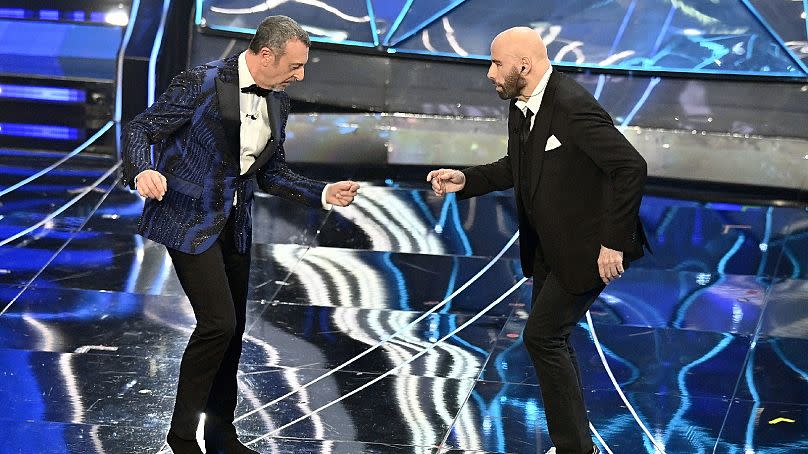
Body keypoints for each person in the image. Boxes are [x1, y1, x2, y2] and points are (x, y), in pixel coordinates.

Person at [120, 15, 359, 454]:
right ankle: (181, 434)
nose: (300, 76)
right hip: (187, 217)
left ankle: (221, 434)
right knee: (218, 323)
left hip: (235, 223)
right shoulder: (203, 82)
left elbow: (270, 173)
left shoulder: (279, 101)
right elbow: (141, 128)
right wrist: (142, 170)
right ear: (266, 55)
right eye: (295, 66)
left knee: (234, 330)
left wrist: (322, 192)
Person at [427, 27, 649, 454]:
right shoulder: (523, 103)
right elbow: (519, 165)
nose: (490, 73)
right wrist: (467, 179)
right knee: (552, 339)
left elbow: (630, 167)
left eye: (496, 64)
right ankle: (574, 445)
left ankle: (574, 449)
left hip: (588, 248)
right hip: (551, 245)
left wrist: (613, 242)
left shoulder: (571, 106)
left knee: (542, 337)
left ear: (523, 66)